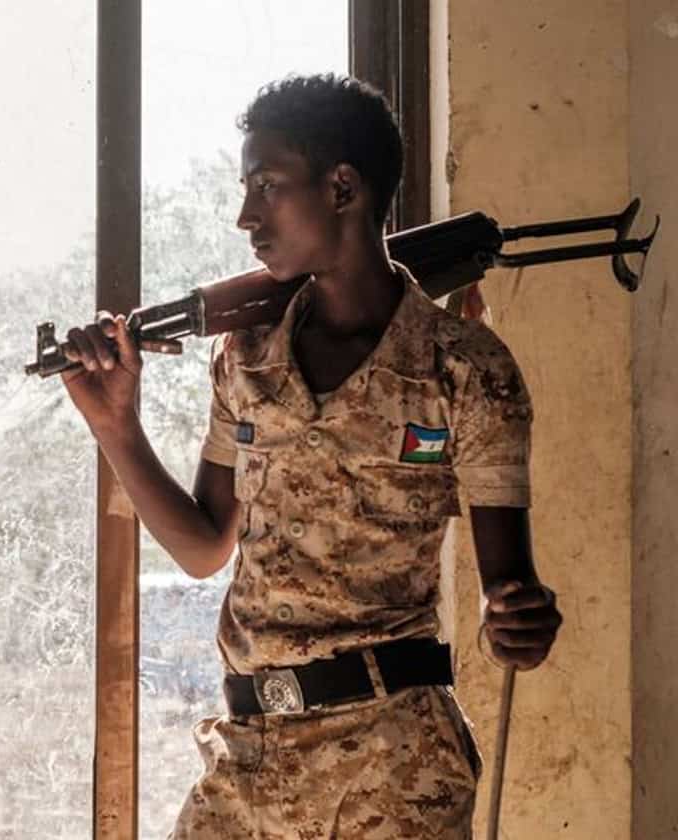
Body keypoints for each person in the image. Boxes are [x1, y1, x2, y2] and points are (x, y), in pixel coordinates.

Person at [60, 74, 563, 838]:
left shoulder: (465, 370)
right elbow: (203, 547)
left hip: (394, 766)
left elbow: (509, 591)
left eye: (267, 185)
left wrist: (518, 623)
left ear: (342, 188)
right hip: (249, 754)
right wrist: (115, 424)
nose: (246, 216)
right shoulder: (246, 356)